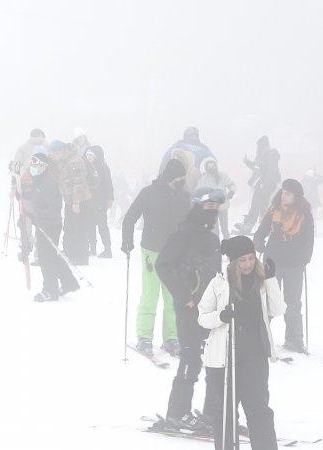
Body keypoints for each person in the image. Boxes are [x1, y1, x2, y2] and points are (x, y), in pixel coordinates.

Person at [199, 236, 286, 450]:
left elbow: (278, 309)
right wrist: (222, 316)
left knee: (258, 409)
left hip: (254, 353)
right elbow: (202, 316)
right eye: (242, 260)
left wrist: (272, 279)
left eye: (250, 258)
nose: (247, 264)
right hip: (223, 356)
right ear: (233, 262)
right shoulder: (219, 283)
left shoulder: (262, 282)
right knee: (225, 413)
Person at [155, 188, 225, 430]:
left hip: (211, 309)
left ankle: (212, 412)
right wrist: (184, 296)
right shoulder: (183, 233)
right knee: (191, 358)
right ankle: (178, 412)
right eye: (208, 206)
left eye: (217, 207)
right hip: (189, 307)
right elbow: (162, 265)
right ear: (197, 206)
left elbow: (216, 273)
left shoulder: (212, 237)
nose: (213, 211)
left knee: (214, 358)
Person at [122, 159, 191, 357]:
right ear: (170, 177)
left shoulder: (184, 197)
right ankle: (144, 337)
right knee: (150, 295)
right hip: (152, 250)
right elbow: (130, 217)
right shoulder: (148, 193)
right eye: (180, 178)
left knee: (173, 296)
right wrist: (127, 240)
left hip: (176, 253)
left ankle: (171, 338)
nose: (182, 182)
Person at [253, 179, 314, 353]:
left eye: (288, 193)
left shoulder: (304, 214)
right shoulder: (274, 210)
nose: (283, 195)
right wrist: (258, 242)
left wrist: (304, 258)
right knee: (267, 300)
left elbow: (309, 239)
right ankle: (259, 339)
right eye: (283, 192)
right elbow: (262, 229)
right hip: (272, 260)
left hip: (294, 263)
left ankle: (294, 340)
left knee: (292, 302)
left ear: (296, 196)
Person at [26, 152, 79, 301]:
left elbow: (54, 206)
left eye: (36, 165)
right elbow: (33, 198)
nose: (33, 168)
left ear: (44, 167)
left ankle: (50, 289)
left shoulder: (47, 183)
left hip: (49, 224)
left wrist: (40, 219)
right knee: (50, 255)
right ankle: (69, 283)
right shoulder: (39, 181)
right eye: (32, 165)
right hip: (44, 222)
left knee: (45, 257)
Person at [52, 141, 93, 266]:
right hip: (70, 200)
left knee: (79, 229)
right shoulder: (63, 161)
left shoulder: (74, 161)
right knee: (69, 227)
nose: (53, 155)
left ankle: (81, 257)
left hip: (80, 201)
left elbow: (79, 182)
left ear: (61, 150)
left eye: (54, 152)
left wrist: (76, 201)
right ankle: (70, 253)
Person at [235, 136, 281, 235]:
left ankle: (255, 226)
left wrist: (265, 184)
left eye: (259, 145)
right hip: (261, 184)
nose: (257, 147)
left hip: (265, 185)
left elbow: (271, 171)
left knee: (259, 205)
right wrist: (247, 162)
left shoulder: (270, 155)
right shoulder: (262, 155)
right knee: (260, 206)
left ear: (263, 145)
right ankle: (264, 226)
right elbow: (257, 168)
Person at [196, 157, 236, 241]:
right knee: (214, 230)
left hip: (223, 206)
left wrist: (231, 191)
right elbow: (198, 191)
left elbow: (231, 184)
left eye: (212, 165)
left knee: (225, 228)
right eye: (209, 166)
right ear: (206, 167)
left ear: (215, 165)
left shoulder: (223, 176)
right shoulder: (203, 179)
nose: (211, 167)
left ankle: (228, 245)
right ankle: (216, 246)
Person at [85, 146, 114, 258]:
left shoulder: (103, 168)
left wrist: (110, 198)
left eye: (90, 155)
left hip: (100, 201)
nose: (88, 158)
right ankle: (92, 248)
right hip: (89, 201)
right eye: (87, 155)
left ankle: (107, 249)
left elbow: (109, 184)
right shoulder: (87, 167)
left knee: (102, 225)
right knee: (90, 225)